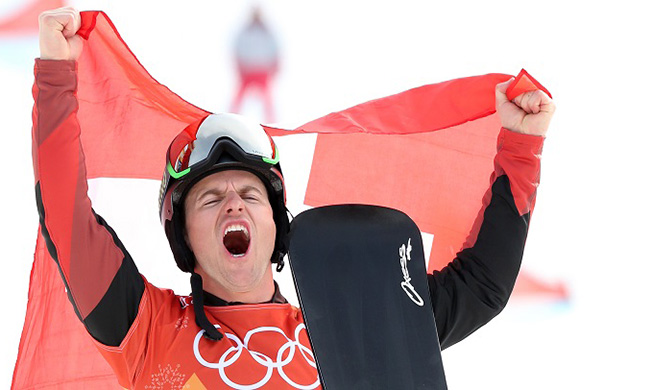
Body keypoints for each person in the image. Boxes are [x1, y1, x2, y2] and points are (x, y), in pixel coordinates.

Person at [34, 7, 555, 390]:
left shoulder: (355, 324)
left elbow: (482, 285)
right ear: (184, 237)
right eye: (210, 199)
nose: (234, 204)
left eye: (250, 195)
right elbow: (67, 219)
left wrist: (521, 146)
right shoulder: (146, 330)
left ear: (278, 225)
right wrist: (56, 75)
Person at [230, 6, 279, 122]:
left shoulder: (267, 32)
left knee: (267, 100)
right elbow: (237, 48)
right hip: (247, 71)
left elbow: (274, 49)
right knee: (238, 98)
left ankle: (271, 122)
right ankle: (231, 118)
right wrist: (239, 65)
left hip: (262, 71)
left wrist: (275, 66)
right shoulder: (245, 31)